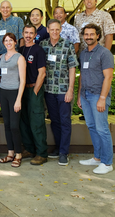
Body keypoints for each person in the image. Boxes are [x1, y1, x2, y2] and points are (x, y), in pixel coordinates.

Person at [40, 19, 77, 166]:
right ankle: (57, 147)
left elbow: (72, 68)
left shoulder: (68, 45)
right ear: (47, 30)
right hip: (48, 90)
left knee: (65, 121)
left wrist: (70, 89)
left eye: (57, 29)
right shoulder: (43, 45)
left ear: (60, 30)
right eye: (52, 29)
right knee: (54, 120)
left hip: (63, 90)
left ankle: (64, 152)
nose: (54, 32)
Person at [78, 23, 114, 174]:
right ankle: (97, 158)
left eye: (92, 34)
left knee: (102, 129)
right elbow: (82, 76)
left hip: (98, 96)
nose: (89, 37)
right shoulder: (84, 53)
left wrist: (102, 98)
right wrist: (80, 95)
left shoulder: (105, 53)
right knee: (92, 127)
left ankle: (107, 163)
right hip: (85, 96)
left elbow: (108, 77)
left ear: (98, 35)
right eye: (86, 34)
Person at [18, 26, 48, 165]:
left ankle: (41, 153)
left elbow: (42, 72)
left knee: (36, 122)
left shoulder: (38, 50)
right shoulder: (21, 50)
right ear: (23, 34)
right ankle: (29, 149)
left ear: (35, 35)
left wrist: (36, 90)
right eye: (26, 33)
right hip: (22, 90)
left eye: (31, 33)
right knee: (24, 122)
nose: (28, 35)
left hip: (33, 89)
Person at [0, 33, 26, 168]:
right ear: (3, 43)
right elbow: (0, 78)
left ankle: (18, 154)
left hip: (15, 93)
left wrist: (18, 99)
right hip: (3, 92)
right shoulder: (2, 57)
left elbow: (23, 80)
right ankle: (10, 153)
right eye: (6, 41)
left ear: (15, 42)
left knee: (14, 126)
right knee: (7, 125)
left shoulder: (19, 58)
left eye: (11, 40)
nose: (8, 43)